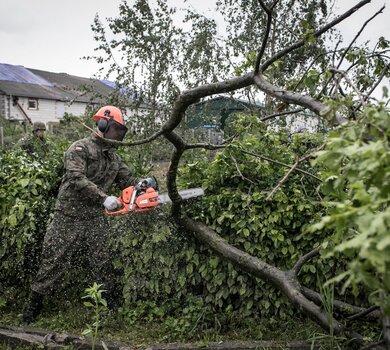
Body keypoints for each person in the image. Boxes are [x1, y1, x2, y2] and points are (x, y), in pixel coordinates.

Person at [22, 105, 157, 324]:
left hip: (94, 215)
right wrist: (104, 197)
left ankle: (107, 300)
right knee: (53, 260)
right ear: (103, 124)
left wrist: (142, 184)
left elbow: (126, 179)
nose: (117, 135)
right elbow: (76, 178)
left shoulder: (113, 158)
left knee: (101, 260)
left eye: (120, 131)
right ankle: (33, 305)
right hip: (68, 214)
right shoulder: (80, 148)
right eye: (115, 129)